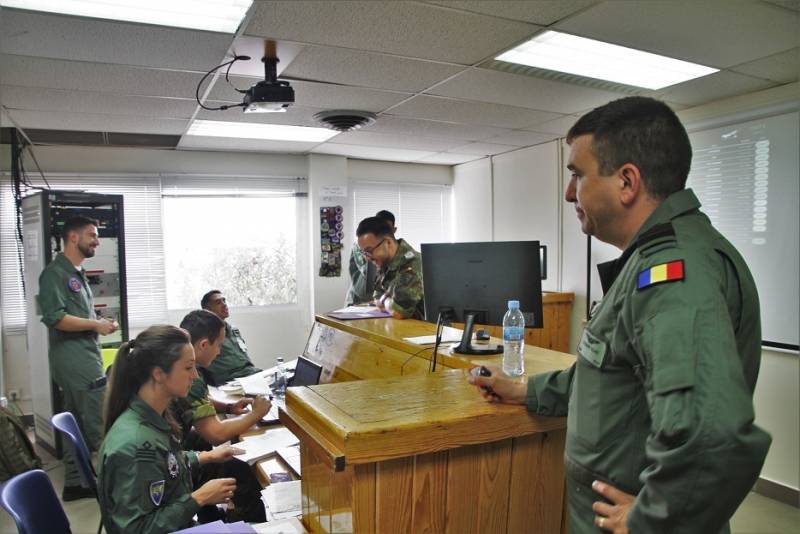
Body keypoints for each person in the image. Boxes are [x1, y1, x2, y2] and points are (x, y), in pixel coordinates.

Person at [468, 96, 771, 534]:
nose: (569, 192)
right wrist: (524, 391)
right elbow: (610, 373)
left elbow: (711, 430)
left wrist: (654, 517)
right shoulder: (651, 260)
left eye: (578, 174)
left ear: (627, 182)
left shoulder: (671, 273)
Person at [98, 325, 241, 534]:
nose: (195, 375)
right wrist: (199, 497)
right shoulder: (137, 446)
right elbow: (135, 529)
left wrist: (205, 456)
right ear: (158, 373)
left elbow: (166, 462)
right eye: (188, 368)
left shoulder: (150, 416)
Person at [36, 215, 118, 501]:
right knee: (99, 425)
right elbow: (55, 318)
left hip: (81, 357)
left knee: (77, 425)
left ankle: (75, 482)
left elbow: (75, 315)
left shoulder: (75, 272)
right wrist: (96, 325)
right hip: (77, 362)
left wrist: (99, 323)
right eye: (92, 235)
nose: (97, 241)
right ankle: (114, 489)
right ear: (73, 237)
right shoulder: (55, 274)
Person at [171, 309, 270, 522]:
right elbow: (216, 434)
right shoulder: (190, 375)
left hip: (174, 455)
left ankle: (210, 515)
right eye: (219, 346)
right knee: (242, 470)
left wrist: (229, 408)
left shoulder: (178, 364)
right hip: (172, 467)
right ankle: (251, 524)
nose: (219, 352)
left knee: (204, 442)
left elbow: (198, 401)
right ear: (203, 345)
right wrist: (257, 414)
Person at [356, 216, 424, 319]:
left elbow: (398, 312)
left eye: (369, 251)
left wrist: (384, 301)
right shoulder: (385, 262)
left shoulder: (413, 264)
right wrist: (387, 301)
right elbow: (377, 296)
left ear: (388, 242)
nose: (367, 258)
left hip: (423, 327)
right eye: (364, 253)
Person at [200, 290, 262, 385]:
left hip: (252, 374)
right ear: (207, 309)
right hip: (232, 382)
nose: (224, 305)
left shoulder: (233, 330)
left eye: (224, 301)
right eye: (218, 302)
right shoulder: (205, 335)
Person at [345, 210, 396, 306]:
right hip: (358, 298)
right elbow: (368, 272)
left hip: (380, 302)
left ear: (394, 230)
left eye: (387, 229)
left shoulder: (393, 248)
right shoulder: (362, 246)